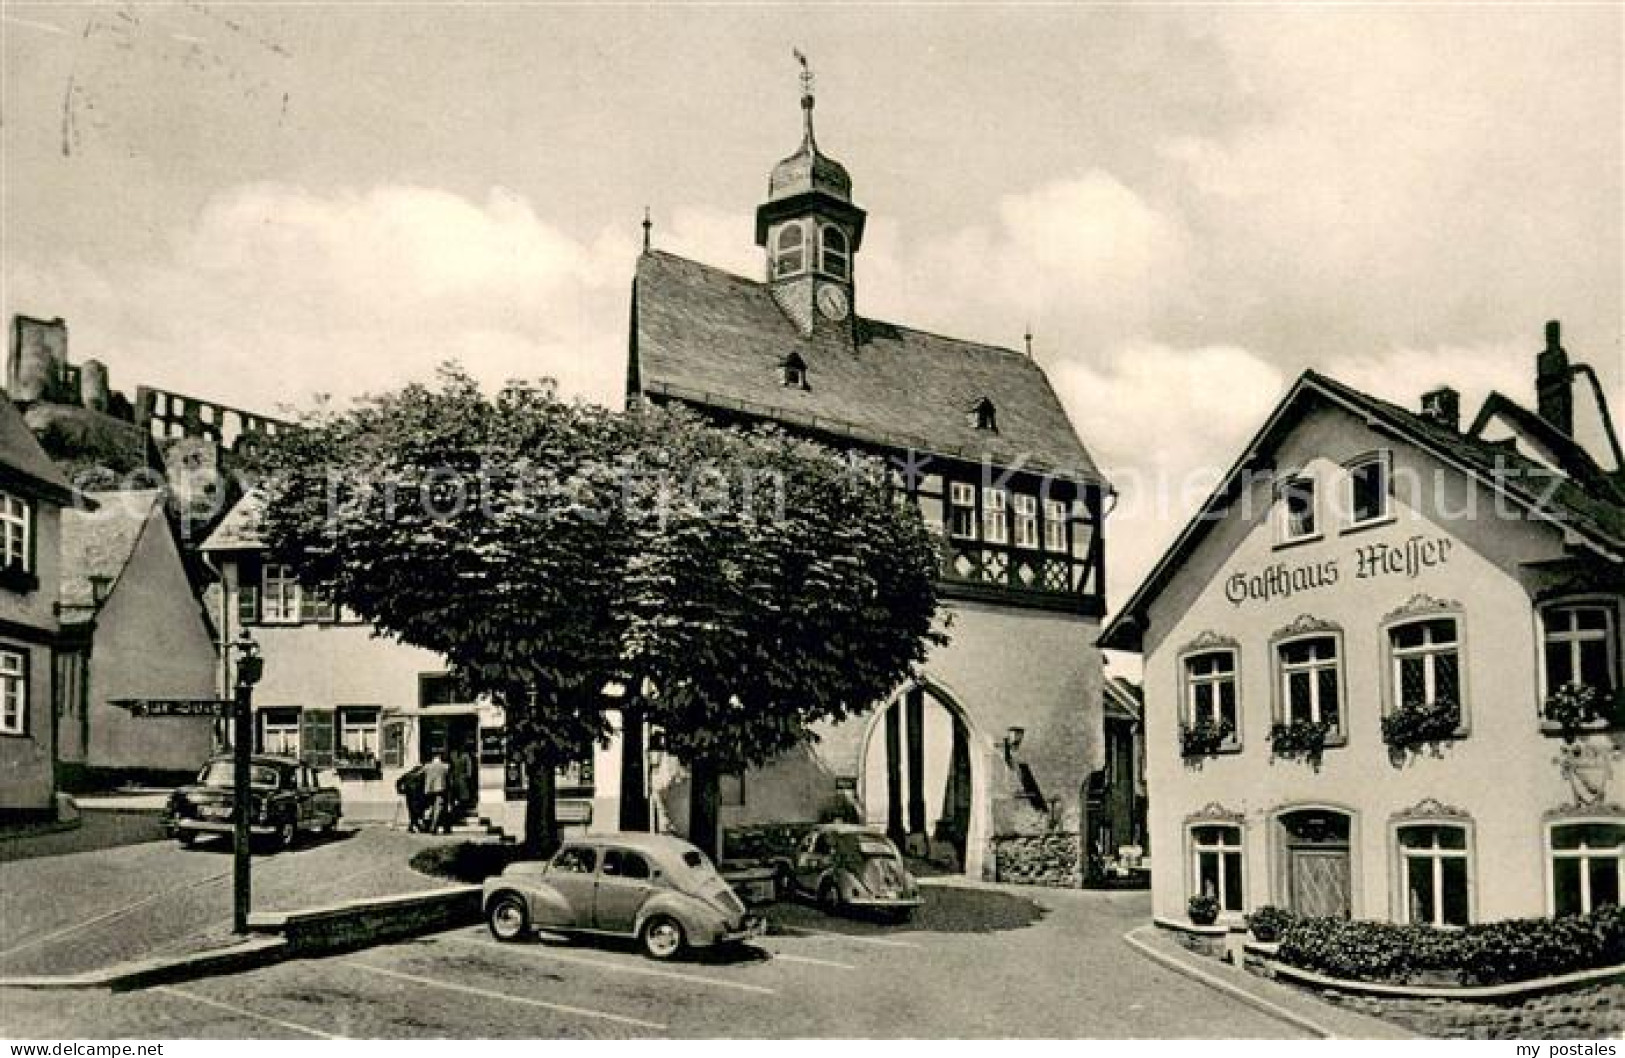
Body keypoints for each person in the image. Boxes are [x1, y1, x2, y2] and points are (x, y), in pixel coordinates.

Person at [421, 751, 450, 834]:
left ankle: (425, 824)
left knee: (429, 807)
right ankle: (433, 827)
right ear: (440, 758)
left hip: (429, 790)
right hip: (439, 789)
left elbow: (420, 773)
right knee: (437, 809)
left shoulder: (427, 766)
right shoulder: (444, 766)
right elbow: (448, 776)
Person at [395, 764, 427, 832]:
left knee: (412, 811)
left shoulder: (407, 774)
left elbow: (398, 781)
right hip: (418, 795)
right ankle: (416, 826)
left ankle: (412, 826)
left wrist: (400, 790)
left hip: (409, 795)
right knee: (417, 811)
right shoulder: (421, 776)